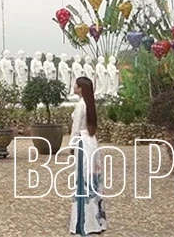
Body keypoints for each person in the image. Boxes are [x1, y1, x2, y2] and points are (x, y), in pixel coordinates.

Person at [69, 76, 107, 235]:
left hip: (82, 141)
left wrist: (71, 145)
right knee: (92, 177)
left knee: (83, 178)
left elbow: (76, 127)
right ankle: (96, 220)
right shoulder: (90, 104)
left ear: (80, 89)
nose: (73, 87)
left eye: (76, 85)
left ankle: (83, 222)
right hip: (91, 141)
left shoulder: (80, 105)